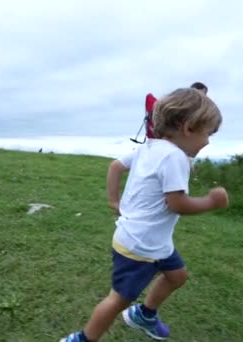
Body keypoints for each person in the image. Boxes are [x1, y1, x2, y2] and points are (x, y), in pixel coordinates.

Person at [60, 87, 229, 342]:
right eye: (208, 133)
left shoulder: (149, 147)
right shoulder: (175, 157)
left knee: (177, 276)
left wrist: (113, 200)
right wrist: (211, 202)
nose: (207, 141)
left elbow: (115, 166)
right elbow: (177, 203)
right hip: (141, 247)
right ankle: (82, 339)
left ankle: (145, 314)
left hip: (152, 241)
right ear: (189, 127)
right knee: (118, 299)